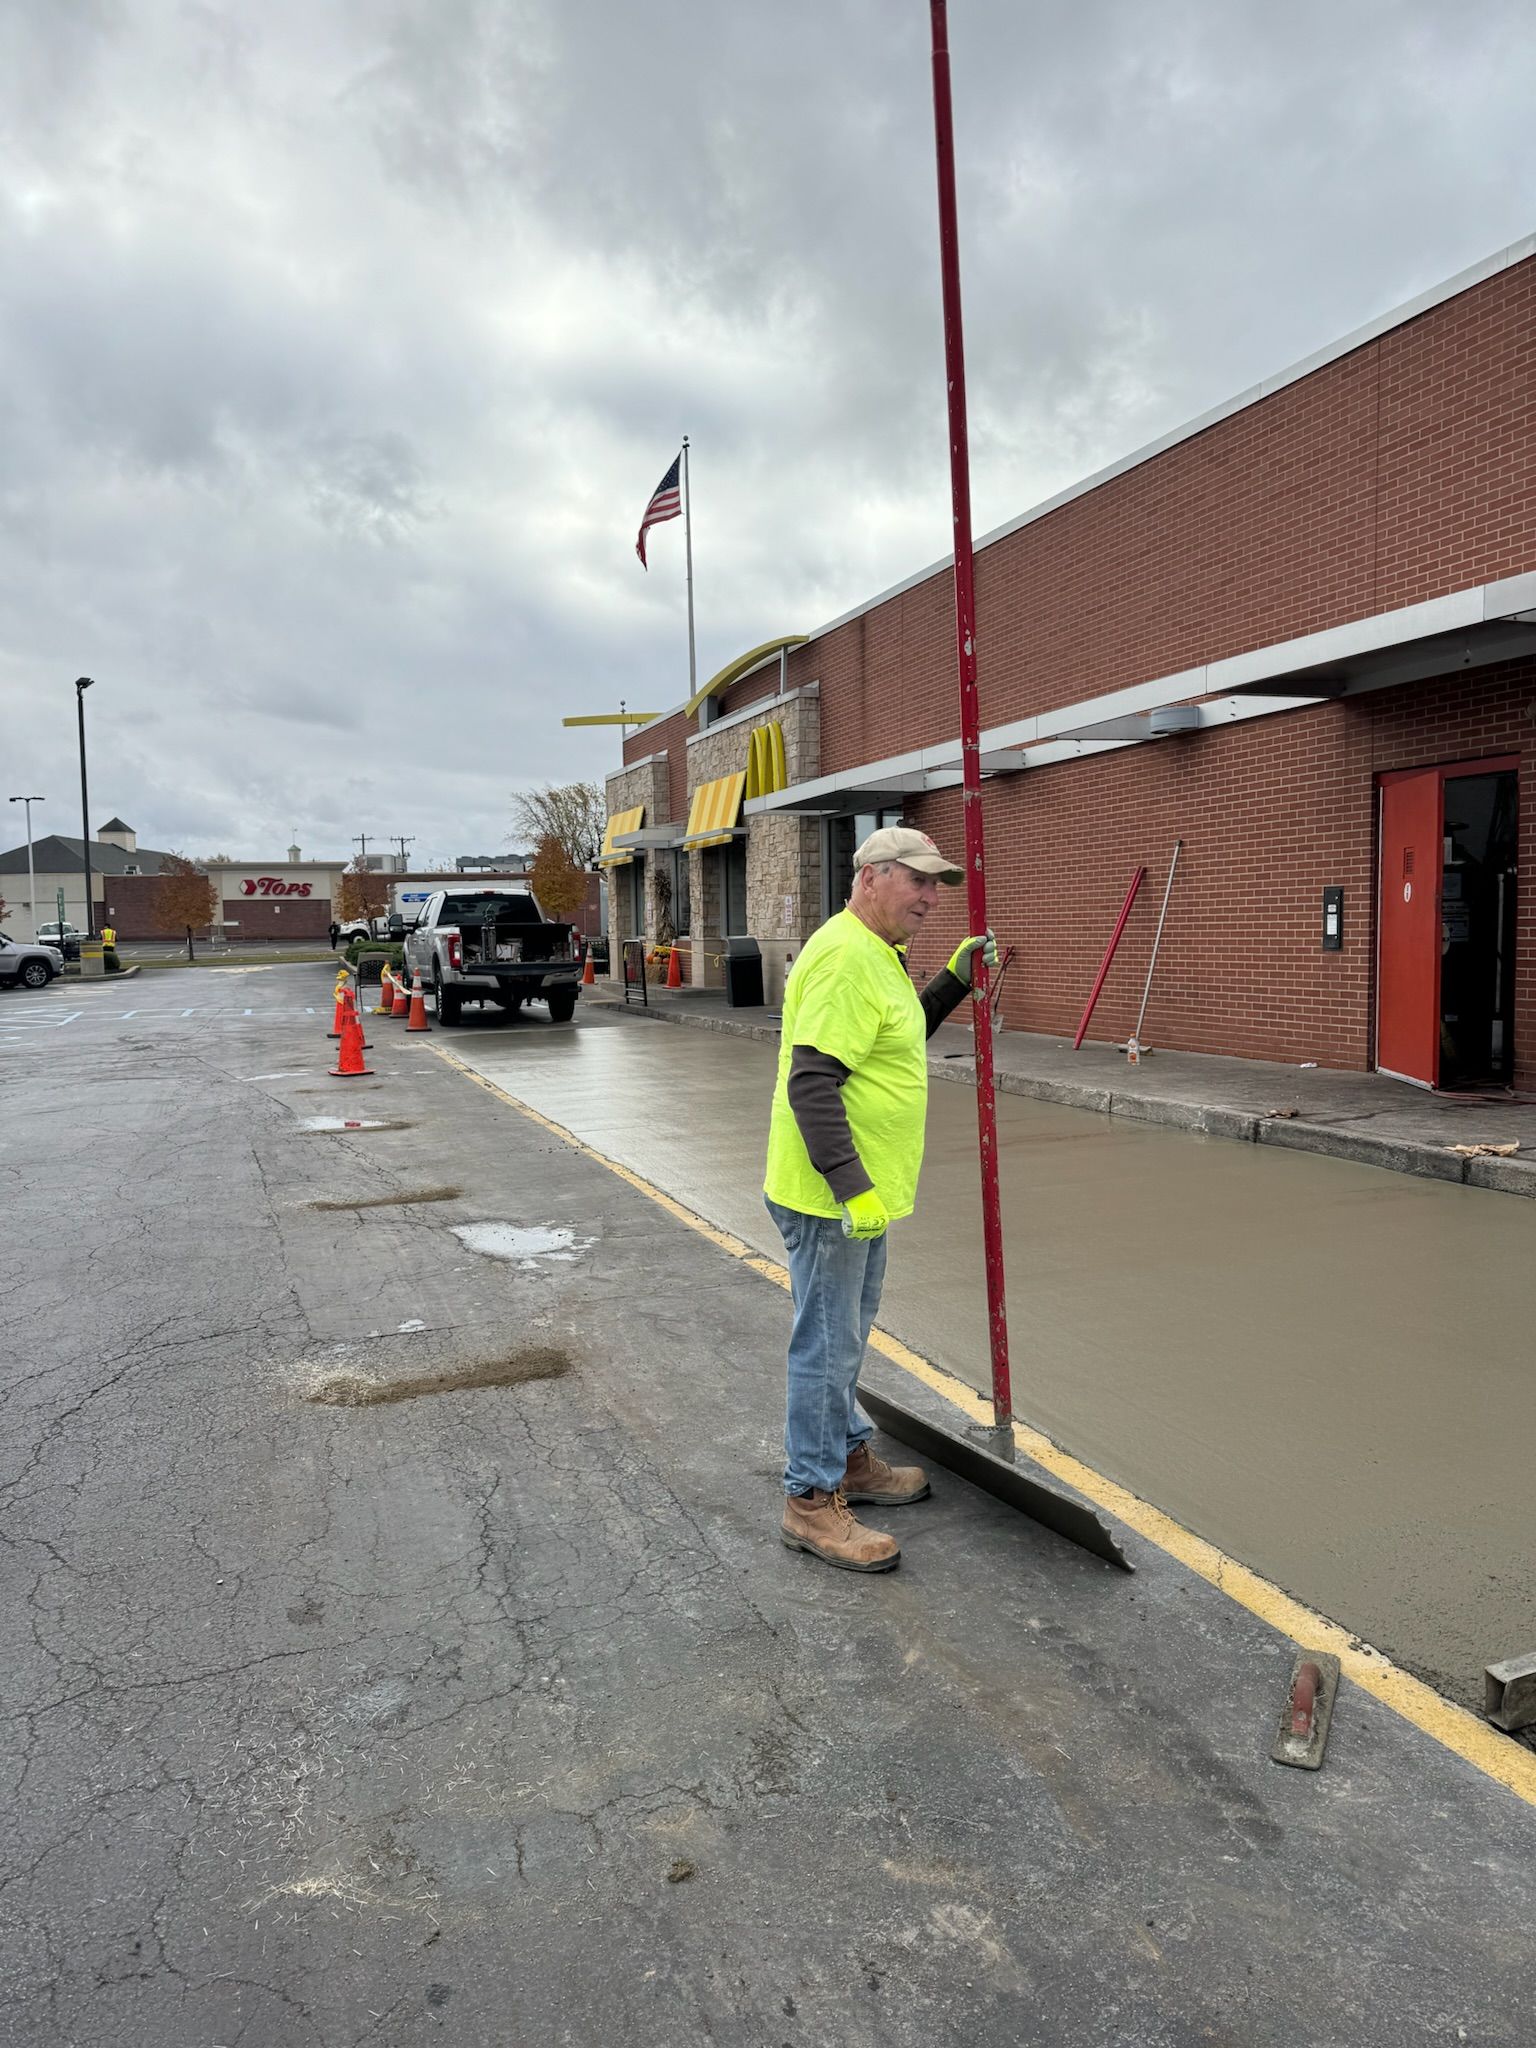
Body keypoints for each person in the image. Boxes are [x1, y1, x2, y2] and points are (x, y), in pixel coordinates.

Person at [764, 826, 997, 1572]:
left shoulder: (879, 956)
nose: (933, 898)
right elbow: (812, 1082)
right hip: (833, 1198)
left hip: (855, 1197)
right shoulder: (843, 959)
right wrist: (851, 1187)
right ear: (871, 877)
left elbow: (894, 1041)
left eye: (937, 885)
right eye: (919, 882)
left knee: (847, 1337)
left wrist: (952, 983)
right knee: (826, 1346)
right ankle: (810, 1501)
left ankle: (851, 1458)